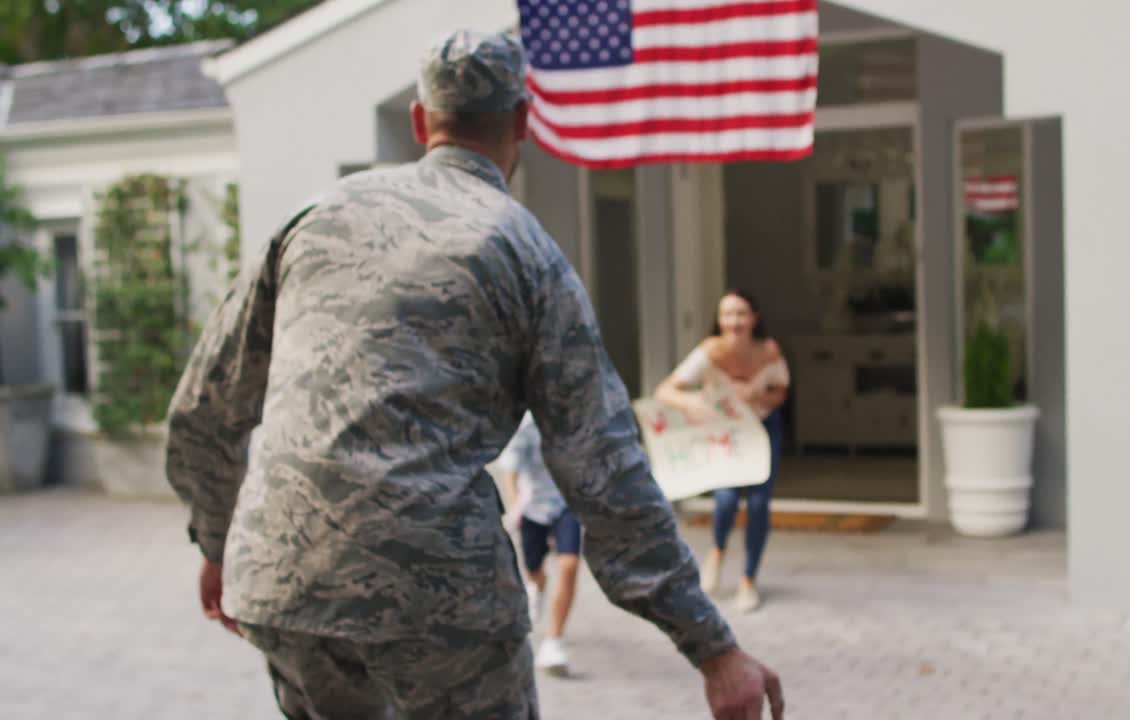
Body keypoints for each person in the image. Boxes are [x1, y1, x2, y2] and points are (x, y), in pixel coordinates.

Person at [165, 29, 783, 720]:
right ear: (523, 119)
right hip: (437, 599)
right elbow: (604, 468)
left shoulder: (314, 219)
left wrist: (220, 542)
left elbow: (201, 410)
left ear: (421, 121)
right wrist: (713, 650)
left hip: (281, 577)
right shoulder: (525, 252)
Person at [655, 291, 790, 613]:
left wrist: (759, 394)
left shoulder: (768, 351)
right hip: (725, 434)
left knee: (758, 504)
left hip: (761, 431)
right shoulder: (708, 352)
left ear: (754, 317)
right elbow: (666, 390)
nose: (734, 321)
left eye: (741, 314)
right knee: (726, 499)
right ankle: (716, 552)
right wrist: (693, 402)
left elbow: (780, 392)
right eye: (727, 314)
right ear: (719, 319)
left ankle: (748, 581)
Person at [496, 411, 581, 677]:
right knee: (533, 570)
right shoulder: (527, 425)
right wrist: (513, 506)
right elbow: (510, 469)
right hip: (532, 505)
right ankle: (538, 588)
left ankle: (553, 642)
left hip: (568, 504)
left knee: (569, 564)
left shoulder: (582, 418)